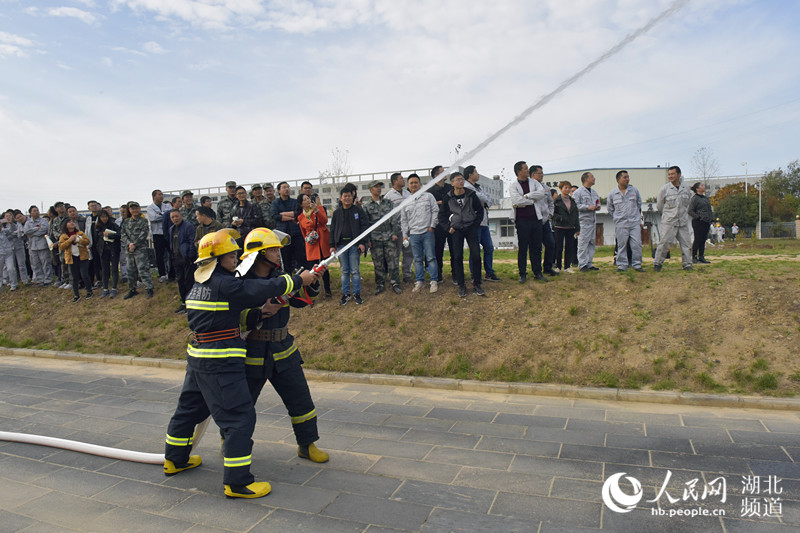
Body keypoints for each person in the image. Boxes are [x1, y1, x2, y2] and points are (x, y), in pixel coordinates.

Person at [163, 228, 321, 499]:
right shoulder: (228, 282)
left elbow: (227, 311)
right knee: (239, 417)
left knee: (188, 409)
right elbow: (254, 290)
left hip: (199, 357)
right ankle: (238, 483)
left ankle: (175, 459)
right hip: (221, 360)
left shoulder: (200, 283)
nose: (236, 257)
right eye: (231, 254)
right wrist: (294, 280)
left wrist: (304, 283)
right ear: (217, 258)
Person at [236, 228, 329, 465]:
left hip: (284, 350)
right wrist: (258, 313)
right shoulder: (241, 283)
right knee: (243, 404)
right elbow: (233, 317)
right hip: (253, 351)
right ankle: (232, 443)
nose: (279, 253)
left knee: (301, 399)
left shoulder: (283, 278)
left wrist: (311, 282)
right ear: (259, 253)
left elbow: (300, 300)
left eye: (279, 249)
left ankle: (307, 444)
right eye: (274, 249)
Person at [509, 160, 549, 283]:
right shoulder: (513, 186)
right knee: (523, 248)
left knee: (536, 247)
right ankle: (523, 274)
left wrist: (526, 196)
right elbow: (516, 201)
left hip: (536, 220)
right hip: (522, 221)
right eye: (525, 169)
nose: (528, 170)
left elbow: (541, 193)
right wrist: (531, 201)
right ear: (519, 171)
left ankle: (538, 272)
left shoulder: (535, 182)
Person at [447, 172, 485, 297]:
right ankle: (462, 285)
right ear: (452, 183)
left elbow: (480, 211)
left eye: (462, 179)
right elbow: (442, 216)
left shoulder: (471, 194)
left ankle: (477, 284)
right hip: (456, 230)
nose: (461, 182)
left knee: (476, 255)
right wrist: (449, 227)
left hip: (471, 228)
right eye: (458, 180)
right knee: (457, 257)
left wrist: (475, 225)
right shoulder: (448, 197)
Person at [330, 187, 369, 305]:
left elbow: (364, 227)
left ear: (353, 197)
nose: (347, 198)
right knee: (344, 271)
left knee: (355, 270)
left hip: (355, 246)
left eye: (349, 196)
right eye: (345, 196)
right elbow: (332, 230)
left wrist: (363, 242)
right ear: (341, 198)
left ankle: (357, 293)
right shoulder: (337, 213)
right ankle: (345, 294)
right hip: (341, 246)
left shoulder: (358, 210)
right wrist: (332, 245)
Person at [362, 181, 402, 296]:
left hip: (389, 236)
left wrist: (394, 232)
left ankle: (395, 283)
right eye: (376, 187)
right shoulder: (367, 206)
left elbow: (393, 218)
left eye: (380, 186)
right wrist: (368, 240)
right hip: (375, 238)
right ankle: (380, 284)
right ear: (370, 190)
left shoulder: (388, 203)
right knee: (378, 262)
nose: (379, 189)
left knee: (393, 261)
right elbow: (366, 225)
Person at [400, 174, 439, 294]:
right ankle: (419, 281)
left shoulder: (428, 196)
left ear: (420, 184)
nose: (413, 185)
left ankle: (433, 281)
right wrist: (405, 235)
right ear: (408, 185)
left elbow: (435, 210)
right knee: (417, 259)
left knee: (431, 257)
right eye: (411, 183)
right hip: (414, 234)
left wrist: (432, 226)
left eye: (416, 182)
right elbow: (404, 220)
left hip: (427, 232)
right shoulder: (406, 202)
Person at [464, 165, 500, 283]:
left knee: (489, 248)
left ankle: (489, 273)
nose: (477, 174)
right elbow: (479, 198)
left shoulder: (478, 187)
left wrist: (484, 202)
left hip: (484, 223)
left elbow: (488, 200)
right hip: (474, 223)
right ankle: (474, 275)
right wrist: (483, 202)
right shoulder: (466, 186)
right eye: (476, 172)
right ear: (470, 174)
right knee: (475, 250)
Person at [654, 166, 693, 272]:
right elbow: (659, 206)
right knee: (664, 243)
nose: (670, 176)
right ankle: (658, 263)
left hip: (682, 221)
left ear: (679, 175)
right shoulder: (665, 189)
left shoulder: (686, 189)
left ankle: (687, 264)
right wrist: (668, 215)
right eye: (669, 174)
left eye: (673, 174)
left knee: (686, 244)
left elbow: (688, 204)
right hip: (669, 221)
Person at [607, 170, 645, 272]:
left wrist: (636, 217)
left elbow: (639, 204)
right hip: (621, 224)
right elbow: (610, 208)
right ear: (618, 179)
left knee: (637, 244)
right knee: (621, 245)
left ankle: (637, 264)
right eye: (625, 177)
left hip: (634, 222)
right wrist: (617, 217)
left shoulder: (634, 190)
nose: (627, 179)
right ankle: (622, 265)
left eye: (628, 177)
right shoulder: (612, 193)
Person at [297, 193, 333, 298]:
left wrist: (317, 210)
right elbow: (303, 231)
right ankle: (313, 290)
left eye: (308, 198)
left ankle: (327, 290)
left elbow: (325, 221)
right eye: (304, 200)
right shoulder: (300, 216)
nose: (307, 201)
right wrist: (307, 240)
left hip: (321, 241)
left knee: (323, 266)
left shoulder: (319, 208)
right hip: (311, 243)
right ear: (301, 204)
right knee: (312, 267)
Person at [121, 201, 154, 299]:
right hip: (129, 250)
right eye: (132, 209)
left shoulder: (143, 221)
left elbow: (144, 234)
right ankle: (132, 289)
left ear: (139, 209)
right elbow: (123, 234)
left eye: (136, 208)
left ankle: (149, 288)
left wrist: (134, 244)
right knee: (131, 270)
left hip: (140, 249)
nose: (134, 210)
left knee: (143, 269)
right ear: (129, 210)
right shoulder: (126, 222)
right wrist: (129, 244)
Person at [384, 172, 413, 283]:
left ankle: (407, 275)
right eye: (401, 179)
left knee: (408, 253)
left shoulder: (408, 194)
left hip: (408, 229)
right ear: (395, 181)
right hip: (396, 230)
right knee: (395, 255)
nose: (403, 180)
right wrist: (391, 231)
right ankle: (395, 277)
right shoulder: (389, 196)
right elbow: (387, 215)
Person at [529, 165, 559, 276]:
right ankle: (536, 270)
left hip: (545, 221)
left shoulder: (546, 188)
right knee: (535, 247)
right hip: (533, 221)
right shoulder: (529, 187)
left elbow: (551, 203)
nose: (542, 175)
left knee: (551, 244)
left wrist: (550, 215)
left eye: (542, 173)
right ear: (533, 175)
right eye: (540, 173)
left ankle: (548, 267)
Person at [429, 165, 456, 284]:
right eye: (442, 171)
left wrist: (441, 202)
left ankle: (456, 274)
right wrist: (442, 202)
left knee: (455, 250)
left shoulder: (451, 188)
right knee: (437, 251)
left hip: (452, 223)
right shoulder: (430, 191)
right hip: (438, 225)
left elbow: (454, 200)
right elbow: (430, 206)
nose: (446, 173)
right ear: (436, 176)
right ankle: (438, 275)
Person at [271, 182, 305, 272]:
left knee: (300, 258)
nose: (287, 189)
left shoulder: (295, 202)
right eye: (284, 187)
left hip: (296, 233)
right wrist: (291, 216)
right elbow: (275, 216)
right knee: (286, 260)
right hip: (282, 235)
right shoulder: (275, 203)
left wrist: (283, 214)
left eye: (288, 187)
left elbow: (298, 214)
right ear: (279, 191)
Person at [168, 210, 197, 313]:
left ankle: (191, 303)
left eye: (176, 216)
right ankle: (184, 302)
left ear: (181, 216)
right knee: (180, 281)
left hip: (187, 259)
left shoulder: (188, 226)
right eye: (172, 217)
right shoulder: (171, 229)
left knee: (188, 281)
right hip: (176, 259)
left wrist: (190, 256)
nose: (175, 219)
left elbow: (192, 242)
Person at [58, 218, 93, 302]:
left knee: (84, 274)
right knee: (74, 277)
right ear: (65, 225)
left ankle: (89, 291)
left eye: (73, 222)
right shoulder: (63, 236)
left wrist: (78, 240)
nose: (72, 223)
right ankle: (76, 294)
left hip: (83, 257)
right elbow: (61, 246)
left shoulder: (80, 233)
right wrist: (69, 240)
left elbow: (87, 241)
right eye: (69, 222)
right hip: (72, 258)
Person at [574, 172, 601, 272]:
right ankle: (582, 264)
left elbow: (597, 202)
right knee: (583, 243)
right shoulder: (578, 192)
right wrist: (587, 207)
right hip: (583, 222)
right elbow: (575, 206)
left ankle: (589, 263)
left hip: (593, 220)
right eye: (592, 177)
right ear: (586, 179)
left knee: (591, 243)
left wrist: (597, 207)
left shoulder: (594, 192)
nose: (594, 178)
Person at [92, 210, 121, 298]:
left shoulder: (113, 224)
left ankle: (114, 288)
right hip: (103, 250)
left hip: (113, 250)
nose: (104, 218)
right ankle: (105, 288)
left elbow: (119, 234)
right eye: (102, 217)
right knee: (105, 270)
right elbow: (95, 239)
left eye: (106, 216)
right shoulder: (97, 227)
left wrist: (109, 235)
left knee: (114, 268)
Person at [553, 181, 579, 273]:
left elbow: (576, 215)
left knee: (569, 247)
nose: (567, 189)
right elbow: (553, 213)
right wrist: (560, 218)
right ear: (561, 189)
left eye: (569, 188)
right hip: (559, 227)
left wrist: (577, 228)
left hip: (570, 227)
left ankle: (567, 267)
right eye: (565, 188)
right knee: (559, 247)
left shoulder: (572, 201)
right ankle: (558, 267)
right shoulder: (557, 200)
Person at [147, 189, 173, 283]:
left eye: (162, 194)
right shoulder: (150, 208)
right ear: (154, 196)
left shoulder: (168, 205)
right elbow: (153, 218)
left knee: (171, 253)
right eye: (159, 194)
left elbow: (170, 216)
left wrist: (160, 215)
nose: (161, 196)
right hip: (157, 234)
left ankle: (172, 274)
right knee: (159, 255)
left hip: (168, 233)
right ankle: (162, 274)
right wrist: (164, 215)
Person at [23, 206, 52, 286]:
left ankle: (48, 280)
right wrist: (36, 228)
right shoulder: (28, 222)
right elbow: (26, 231)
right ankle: (39, 280)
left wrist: (33, 233)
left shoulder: (43, 221)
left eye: (37, 210)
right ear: (30, 213)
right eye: (34, 211)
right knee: (35, 264)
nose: (36, 212)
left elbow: (44, 230)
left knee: (45, 263)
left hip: (42, 245)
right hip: (32, 246)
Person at [688, 182, 713, 264]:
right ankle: (694, 256)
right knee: (698, 239)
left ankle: (701, 256)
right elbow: (690, 210)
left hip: (706, 221)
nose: (704, 186)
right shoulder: (695, 198)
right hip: (698, 222)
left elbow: (709, 209)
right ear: (697, 189)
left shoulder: (706, 198)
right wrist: (698, 217)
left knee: (703, 239)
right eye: (702, 186)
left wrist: (711, 219)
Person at [5, 210, 30, 286]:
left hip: (19, 246)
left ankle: (25, 280)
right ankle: (12, 282)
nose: (8, 218)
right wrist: (13, 233)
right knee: (11, 266)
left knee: (21, 264)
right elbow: (6, 234)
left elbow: (20, 233)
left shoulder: (17, 224)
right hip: (9, 247)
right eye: (6, 216)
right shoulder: (4, 225)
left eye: (9, 216)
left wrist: (13, 232)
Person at [0, 213, 18, 292]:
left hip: (8, 252)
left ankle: (13, 284)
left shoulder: (4, 231)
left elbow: (11, 230)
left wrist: (10, 222)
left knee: (11, 268)